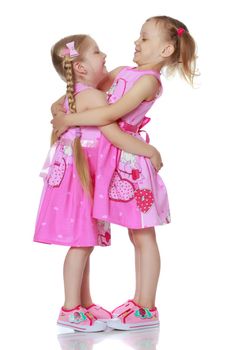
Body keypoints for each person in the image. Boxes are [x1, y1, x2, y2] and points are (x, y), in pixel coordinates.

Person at [52, 16, 197, 331]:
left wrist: (71, 119)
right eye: (139, 37)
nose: (136, 42)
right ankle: (133, 303)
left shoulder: (148, 81)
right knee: (134, 233)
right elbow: (83, 92)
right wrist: (60, 109)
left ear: (166, 50)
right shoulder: (124, 73)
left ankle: (146, 306)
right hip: (114, 163)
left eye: (144, 39)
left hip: (132, 162)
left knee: (143, 234)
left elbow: (111, 114)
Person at [34, 34, 163, 332]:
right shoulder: (93, 97)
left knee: (84, 241)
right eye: (96, 52)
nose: (103, 54)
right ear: (80, 67)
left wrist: (63, 115)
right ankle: (70, 309)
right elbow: (113, 130)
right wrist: (149, 150)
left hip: (81, 174)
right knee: (81, 243)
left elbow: (60, 107)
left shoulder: (83, 92)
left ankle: (84, 303)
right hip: (81, 177)